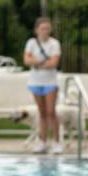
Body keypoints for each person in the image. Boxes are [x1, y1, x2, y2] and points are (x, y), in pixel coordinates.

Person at [24, 18, 63, 154]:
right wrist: (42, 62)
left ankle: (57, 141)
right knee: (42, 113)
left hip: (50, 82)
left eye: (47, 28)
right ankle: (43, 141)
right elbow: (27, 60)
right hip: (35, 81)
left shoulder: (54, 44)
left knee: (51, 111)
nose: (45, 31)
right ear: (36, 31)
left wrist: (37, 62)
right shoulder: (31, 43)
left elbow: (53, 63)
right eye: (42, 28)